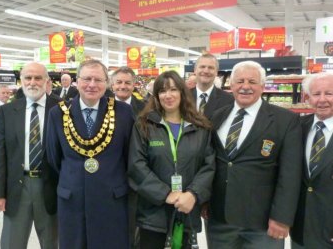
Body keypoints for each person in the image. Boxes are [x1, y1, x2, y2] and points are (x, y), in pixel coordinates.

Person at [207, 60, 302, 249]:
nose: (245, 87)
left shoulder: (285, 120)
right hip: (220, 218)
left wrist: (282, 217)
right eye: (240, 81)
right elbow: (209, 162)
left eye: (252, 81)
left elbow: (290, 174)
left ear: (262, 86)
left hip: (263, 223)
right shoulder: (216, 116)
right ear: (231, 85)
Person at [47, 59, 135, 249]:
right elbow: (54, 158)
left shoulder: (123, 112)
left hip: (111, 200)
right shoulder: (58, 114)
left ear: (106, 84)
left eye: (98, 80)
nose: (92, 85)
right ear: (77, 82)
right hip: (72, 200)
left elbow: (130, 156)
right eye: (87, 79)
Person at [128, 70, 215, 249]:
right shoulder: (144, 125)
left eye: (173, 90)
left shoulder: (200, 127)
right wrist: (166, 194)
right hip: (153, 214)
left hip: (187, 210)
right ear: (156, 95)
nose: (168, 95)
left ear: (183, 93)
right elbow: (137, 166)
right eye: (162, 91)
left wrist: (193, 194)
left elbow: (209, 165)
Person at [0, 62, 58, 249]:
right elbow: (0, 153)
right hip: (17, 187)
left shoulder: (62, 108)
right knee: (12, 242)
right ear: (21, 81)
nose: (32, 82)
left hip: (51, 186)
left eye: (38, 78)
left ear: (46, 81)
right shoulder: (8, 111)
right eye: (28, 78)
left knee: (52, 241)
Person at [291, 73, 333, 249]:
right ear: (308, 98)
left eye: (329, 93)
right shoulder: (296, 127)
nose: (322, 100)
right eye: (316, 94)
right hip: (301, 229)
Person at [111, 66, 145, 248]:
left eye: (127, 82)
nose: (123, 86)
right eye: (119, 82)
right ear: (112, 84)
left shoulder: (146, 108)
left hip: (138, 174)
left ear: (134, 85)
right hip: (110, 173)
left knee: (134, 221)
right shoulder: (102, 106)